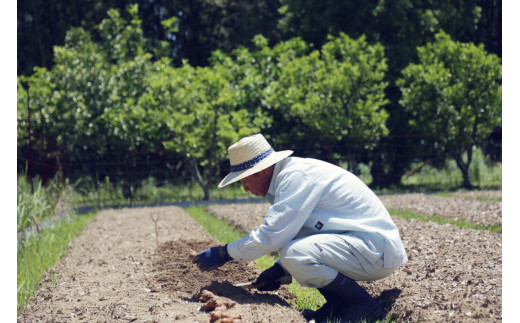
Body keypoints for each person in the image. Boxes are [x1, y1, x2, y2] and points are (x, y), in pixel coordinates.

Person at [192, 134, 408, 322]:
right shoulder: (289, 178)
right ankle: (337, 306)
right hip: (360, 246)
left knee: (295, 254)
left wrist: (225, 252)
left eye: (244, 181)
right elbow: (303, 232)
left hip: (373, 248)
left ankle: (365, 307)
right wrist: (280, 270)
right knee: (293, 254)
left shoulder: (296, 177)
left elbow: (272, 235)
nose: (246, 188)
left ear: (263, 170)